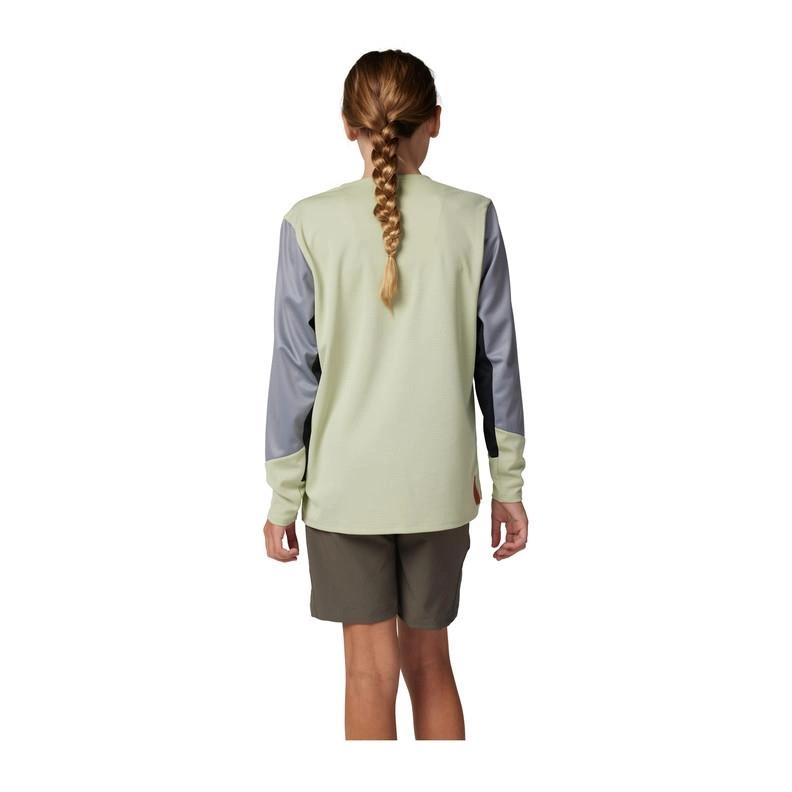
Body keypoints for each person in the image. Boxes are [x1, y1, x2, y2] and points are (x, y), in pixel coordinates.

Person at [262, 49, 529, 740]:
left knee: (367, 676)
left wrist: (283, 496)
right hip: (439, 488)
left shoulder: (307, 223)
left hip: (344, 493)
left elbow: (294, 371)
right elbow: (497, 363)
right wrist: (508, 485)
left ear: (347, 124)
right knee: (432, 668)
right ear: (435, 120)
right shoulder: (474, 217)